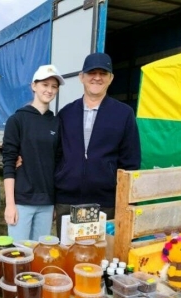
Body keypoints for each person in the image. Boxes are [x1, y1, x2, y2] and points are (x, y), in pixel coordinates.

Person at [54, 52, 141, 237]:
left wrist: (124, 203)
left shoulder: (124, 114)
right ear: (81, 77)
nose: (97, 78)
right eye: (92, 72)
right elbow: (54, 154)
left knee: (100, 255)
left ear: (111, 78)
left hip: (105, 203)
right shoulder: (66, 114)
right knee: (67, 254)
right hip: (67, 200)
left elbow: (131, 162)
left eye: (103, 73)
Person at [2, 65, 65, 241]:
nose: (49, 90)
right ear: (34, 86)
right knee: (18, 255)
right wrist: (10, 204)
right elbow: (9, 163)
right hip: (22, 201)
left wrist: (53, 203)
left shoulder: (56, 123)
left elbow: (58, 163)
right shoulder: (17, 120)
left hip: (46, 203)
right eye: (45, 85)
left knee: (40, 255)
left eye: (54, 86)